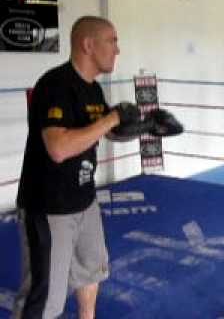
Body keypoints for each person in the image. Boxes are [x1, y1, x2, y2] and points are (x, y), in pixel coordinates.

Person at [12, 16, 140, 319]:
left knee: (92, 270)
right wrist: (111, 119)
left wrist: (146, 127)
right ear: (88, 44)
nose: (117, 49)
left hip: (84, 199)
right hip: (49, 207)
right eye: (112, 41)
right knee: (45, 300)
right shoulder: (55, 85)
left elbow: (106, 131)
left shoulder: (92, 89)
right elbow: (58, 148)